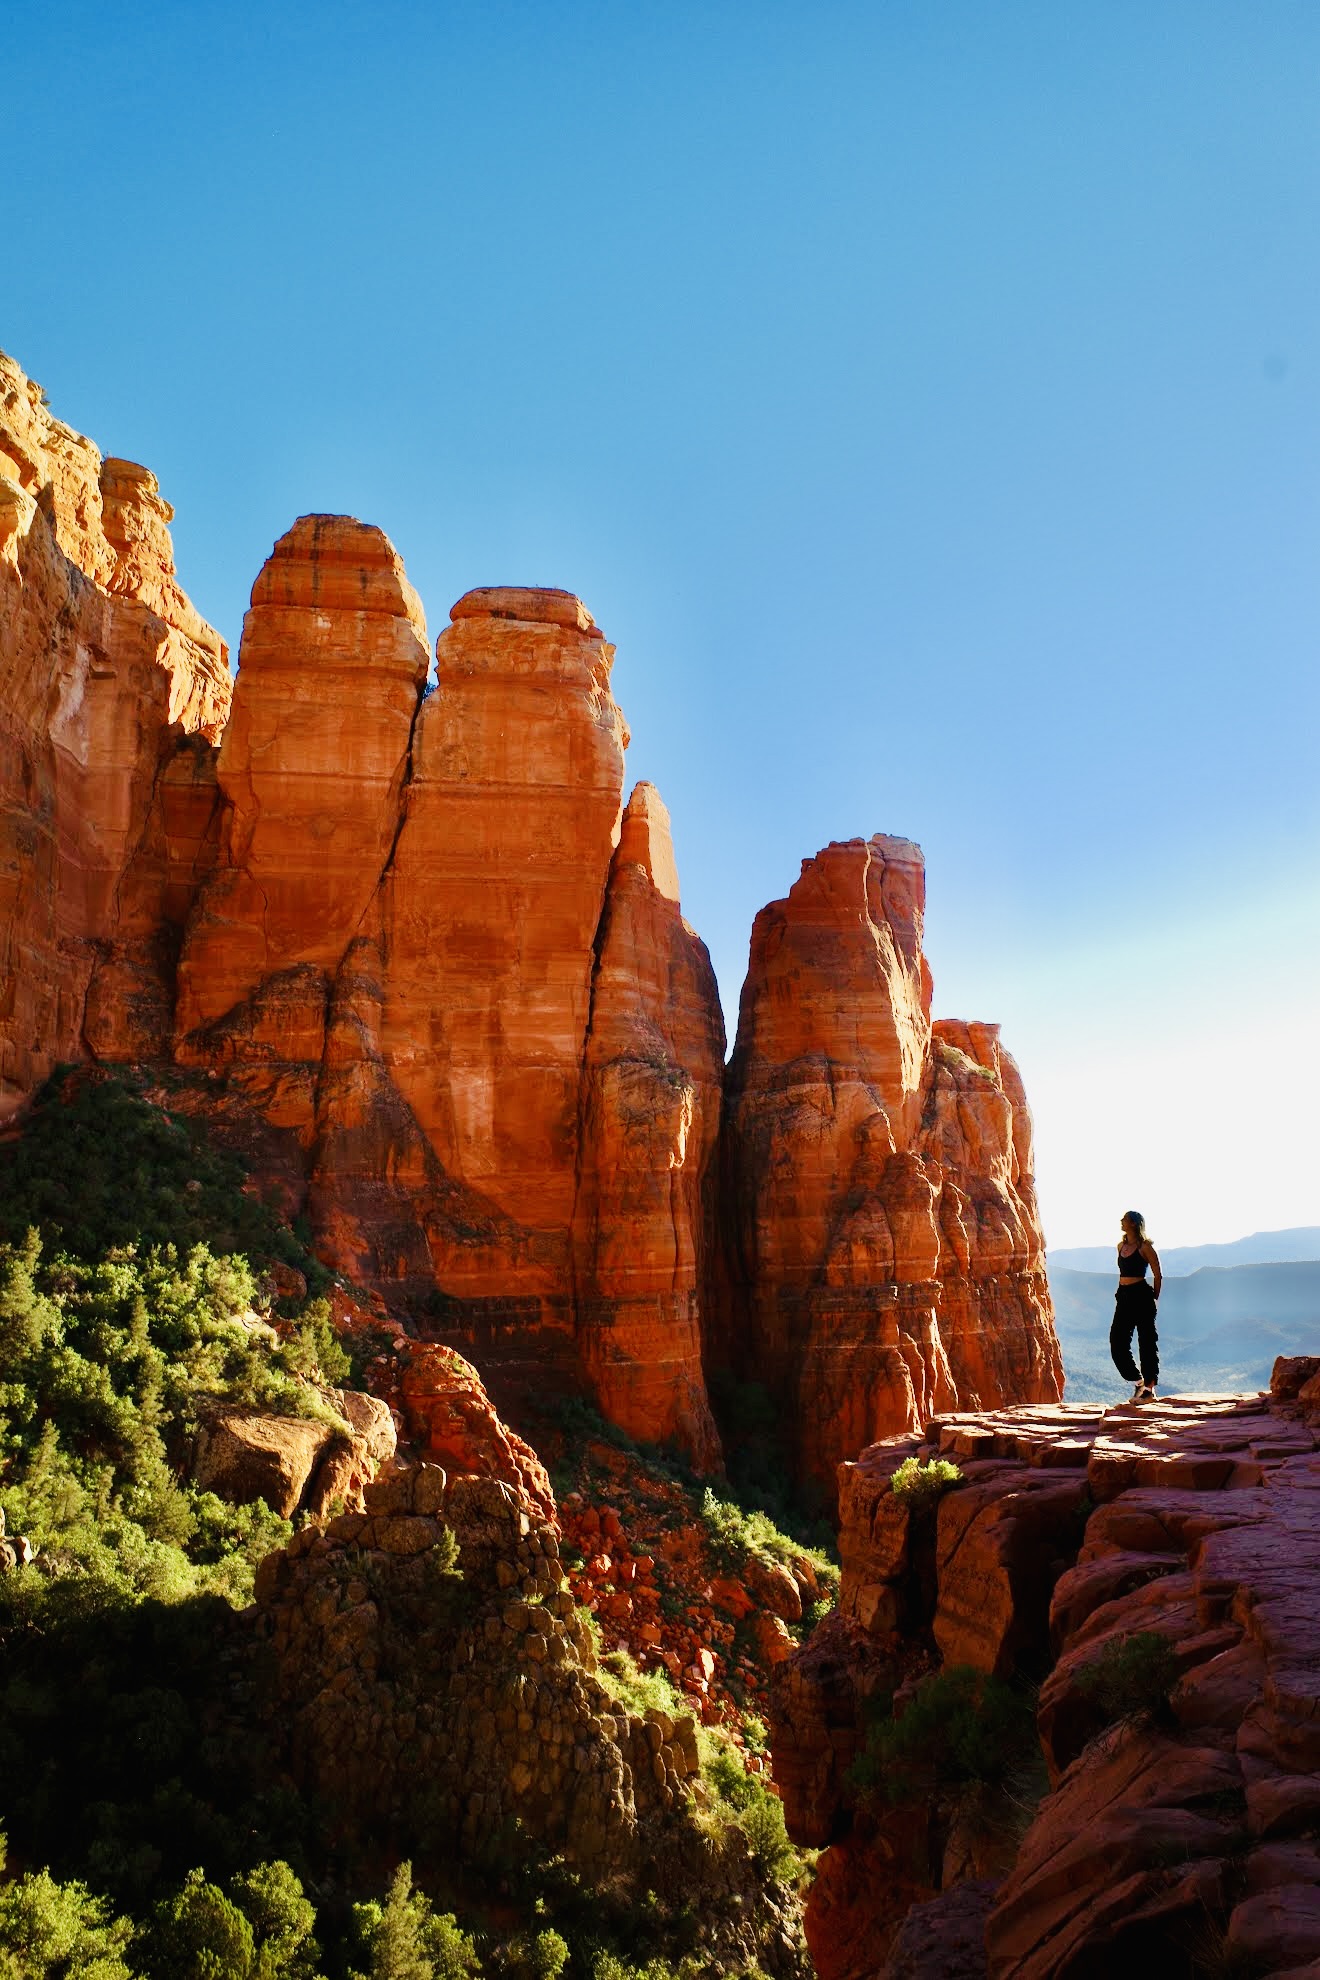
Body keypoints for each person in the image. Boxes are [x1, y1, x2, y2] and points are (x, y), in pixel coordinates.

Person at [1109, 1210, 1162, 1401]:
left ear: (1133, 1223)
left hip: (1142, 1295)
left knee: (1147, 1342)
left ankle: (1149, 1389)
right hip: (1124, 1296)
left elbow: (1157, 1274)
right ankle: (1138, 1382)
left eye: (1124, 1219)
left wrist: (1154, 1298)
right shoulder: (1120, 1246)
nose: (1121, 1221)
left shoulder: (1145, 1247)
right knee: (1117, 1341)